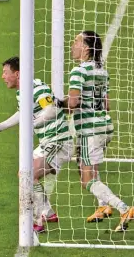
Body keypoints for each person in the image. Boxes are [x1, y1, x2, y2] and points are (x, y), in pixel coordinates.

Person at [0, 56, 73, 233]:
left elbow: (51, 109)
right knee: (23, 173)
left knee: (29, 176)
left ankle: (37, 222)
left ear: (18, 73)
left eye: (5, 73)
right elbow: (23, 113)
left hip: (59, 140)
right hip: (48, 141)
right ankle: (48, 212)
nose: (2, 76)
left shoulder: (37, 88)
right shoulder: (22, 92)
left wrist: (32, 123)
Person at [57, 31, 133, 232]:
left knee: (86, 179)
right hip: (105, 127)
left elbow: (72, 103)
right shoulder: (102, 71)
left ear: (87, 48)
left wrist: (56, 105)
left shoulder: (78, 72)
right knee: (88, 167)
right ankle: (102, 206)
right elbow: (106, 105)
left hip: (90, 130)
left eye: (76, 42)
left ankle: (124, 208)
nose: (72, 45)